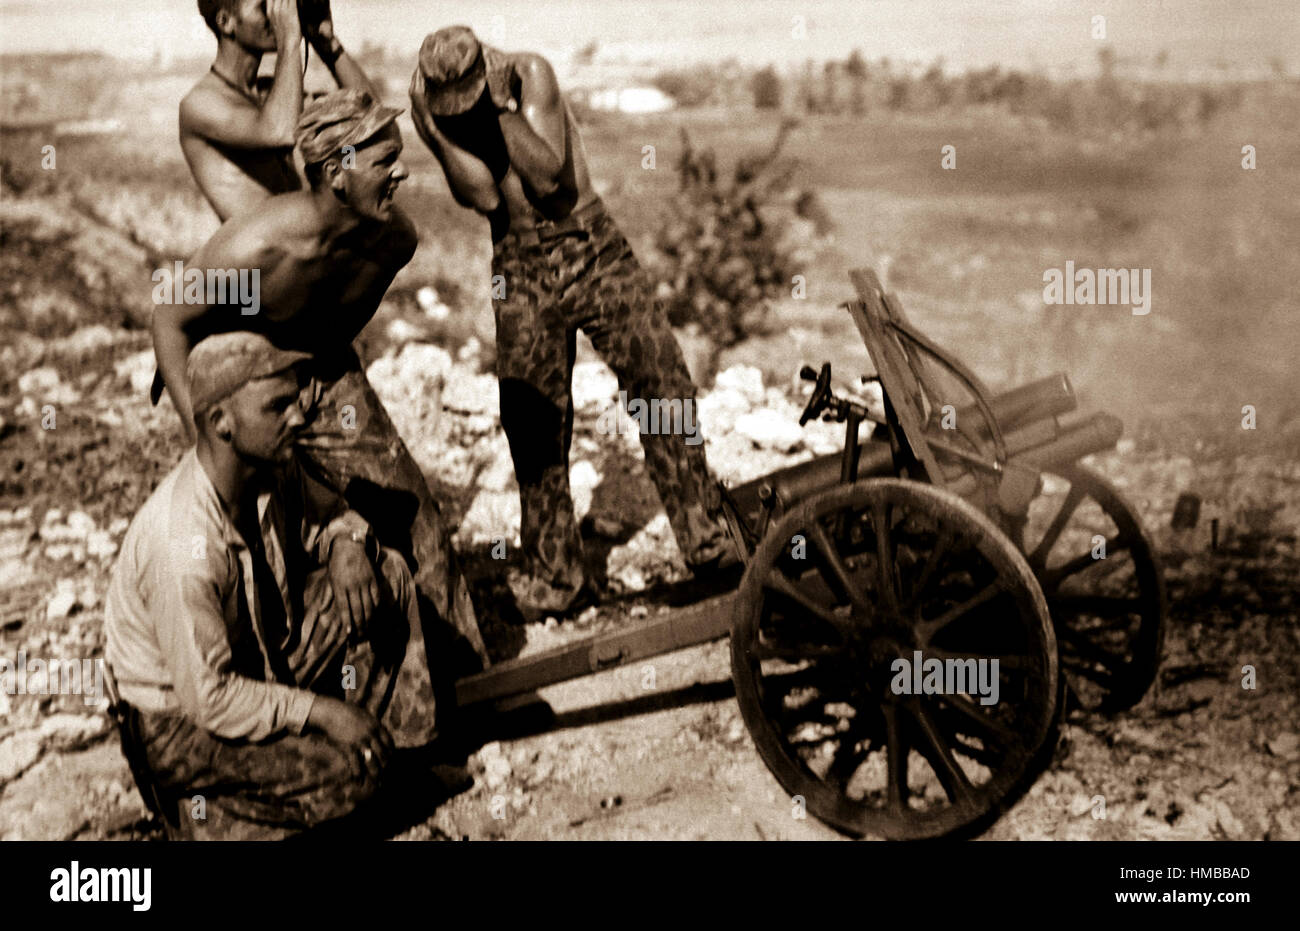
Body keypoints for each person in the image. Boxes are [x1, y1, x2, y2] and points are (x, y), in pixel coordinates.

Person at [153, 88, 489, 681]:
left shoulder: (391, 241)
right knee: (254, 543)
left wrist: (324, 392)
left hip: (327, 369)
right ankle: (258, 691)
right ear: (337, 173)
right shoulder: (256, 250)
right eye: (384, 161)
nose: (402, 171)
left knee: (411, 516)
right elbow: (170, 317)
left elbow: (338, 327)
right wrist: (200, 429)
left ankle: (461, 676)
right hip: (250, 379)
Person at [408, 25, 735, 619]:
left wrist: (500, 110)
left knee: (660, 385)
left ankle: (707, 541)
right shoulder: (440, 107)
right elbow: (484, 197)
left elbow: (547, 176)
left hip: (589, 246)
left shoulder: (530, 74)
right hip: (517, 262)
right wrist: (434, 131)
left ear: (484, 65)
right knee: (533, 420)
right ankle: (557, 576)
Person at [105, 332, 439, 839]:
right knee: (352, 776)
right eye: (278, 406)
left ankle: (399, 757)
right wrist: (323, 712)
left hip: (255, 659)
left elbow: (331, 515)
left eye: (296, 398)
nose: (300, 416)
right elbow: (210, 698)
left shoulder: (269, 467)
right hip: (181, 723)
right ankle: (208, 818)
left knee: (386, 574)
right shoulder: (182, 545)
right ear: (222, 423)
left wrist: (347, 544)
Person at [181, 0, 381, 222]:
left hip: (302, 244)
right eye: (264, 5)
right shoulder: (199, 103)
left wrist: (327, 43)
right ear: (226, 23)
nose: (277, 13)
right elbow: (281, 133)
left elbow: (371, 117)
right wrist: (290, 41)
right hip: (259, 252)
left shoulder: (272, 95)